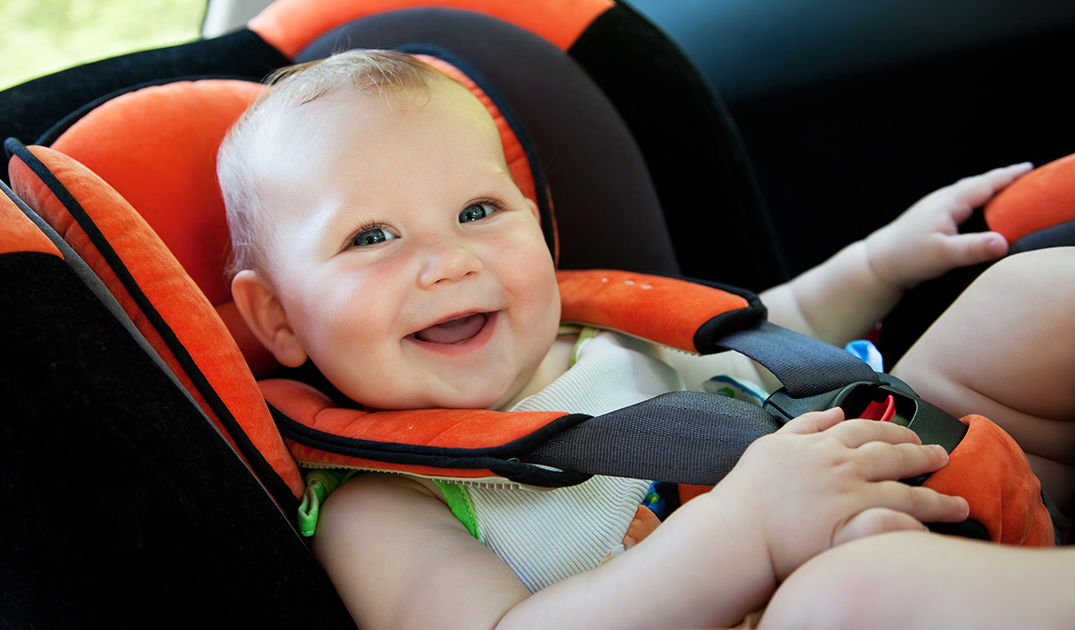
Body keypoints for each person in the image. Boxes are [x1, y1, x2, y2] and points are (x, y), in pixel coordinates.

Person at [217, 49, 1073, 629]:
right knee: (861, 595)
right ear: (280, 321)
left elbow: (775, 335)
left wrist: (875, 262)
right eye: (370, 237)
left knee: (1026, 300)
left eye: (478, 212)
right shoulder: (381, 499)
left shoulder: (599, 329)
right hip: (799, 604)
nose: (447, 260)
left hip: (923, 464)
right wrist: (745, 535)